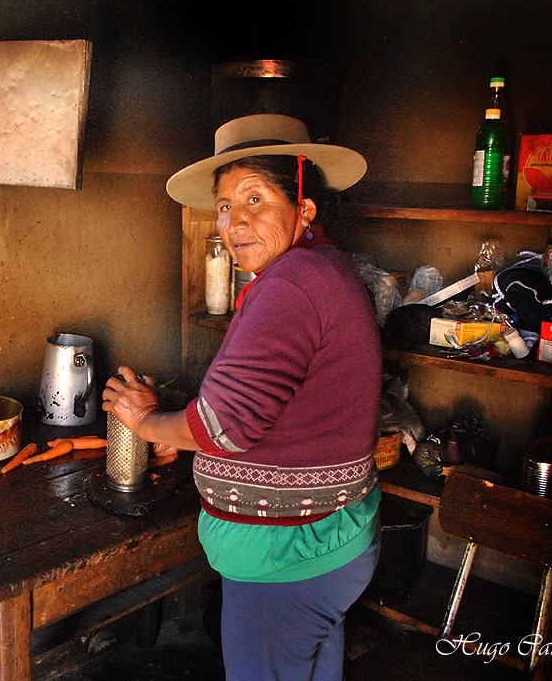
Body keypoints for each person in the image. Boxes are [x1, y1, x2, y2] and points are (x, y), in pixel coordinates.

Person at [102, 114, 382, 681]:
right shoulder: (320, 269)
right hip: (332, 540)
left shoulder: (290, 284)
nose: (236, 221)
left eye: (255, 198)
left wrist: (148, 420)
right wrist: (180, 433)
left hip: (286, 561)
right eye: (226, 205)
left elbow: (223, 426)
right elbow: (271, 407)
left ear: (303, 208)